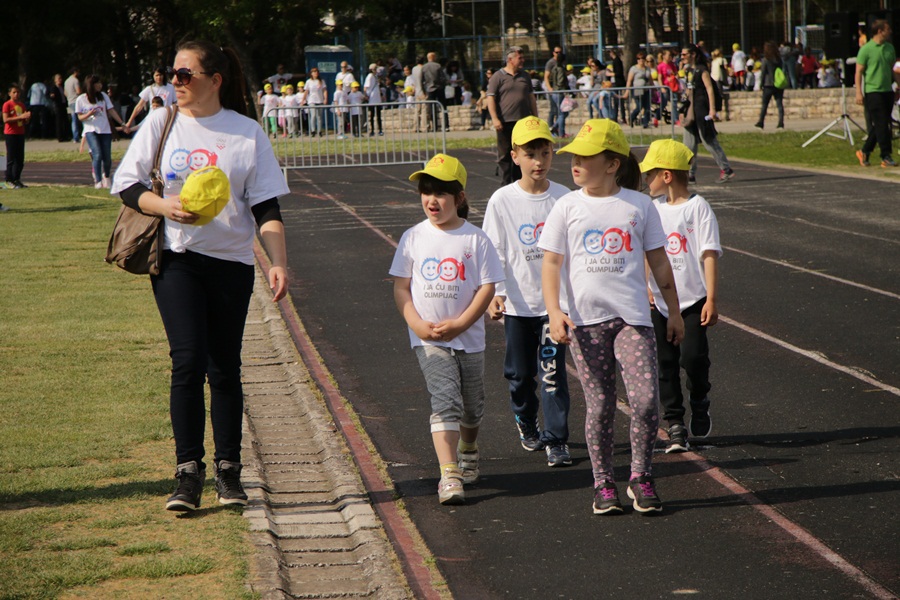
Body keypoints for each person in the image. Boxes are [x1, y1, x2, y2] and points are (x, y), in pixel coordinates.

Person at [110, 40, 290, 512]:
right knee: (187, 360)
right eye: (173, 74)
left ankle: (230, 473)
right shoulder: (162, 122)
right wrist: (164, 205)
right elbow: (127, 186)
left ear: (215, 80)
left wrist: (277, 262)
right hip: (177, 259)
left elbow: (267, 206)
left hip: (231, 262)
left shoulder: (247, 132)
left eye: (185, 75)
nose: (176, 82)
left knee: (224, 367)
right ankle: (187, 473)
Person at [538, 119, 684, 514]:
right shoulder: (566, 206)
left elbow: (659, 261)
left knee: (646, 401)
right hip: (586, 323)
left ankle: (640, 476)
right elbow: (551, 264)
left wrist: (673, 312)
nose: (576, 163)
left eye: (587, 157)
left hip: (633, 319)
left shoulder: (639, 207)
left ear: (613, 163)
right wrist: (554, 312)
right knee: (600, 405)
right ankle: (604, 483)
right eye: (574, 157)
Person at [388, 153, 504, 505]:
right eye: (426, 192)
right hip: (428, 340)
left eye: (440, 192)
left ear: (459, 197)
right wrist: (417, 324)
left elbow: (487, 288)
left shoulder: (475, 240)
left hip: (467, 337)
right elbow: (401, 287)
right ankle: (449, 474)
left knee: (472, 406)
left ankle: (468, 449)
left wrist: (461, 324)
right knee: (445, 401)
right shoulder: (413, 237)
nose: (431, 200)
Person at [482, 116, 573, 466]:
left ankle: (556, 438)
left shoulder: (564, 198)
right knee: (520, 376)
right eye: (531, 153)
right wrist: (497, 292)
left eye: (545, 152)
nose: (539, 161)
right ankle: (525, 418)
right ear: (514, 155)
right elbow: (495, 249)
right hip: (518, 306)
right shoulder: (502, 200)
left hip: (554, 307)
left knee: (552, 375)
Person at [639, 139, 721, 454]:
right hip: (659, 303)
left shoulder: (697, 208)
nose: (647, 181)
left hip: (692, 300)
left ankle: (699, 397)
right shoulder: (653, 209)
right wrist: (647, 285)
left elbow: (709, 254)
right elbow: (649, 252)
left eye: (650, 175)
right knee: (665, 363)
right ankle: (675, 423)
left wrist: (711, 298)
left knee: (693, 358)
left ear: (667, 176)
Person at [681, 44, 735, 184]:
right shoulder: (688, 71)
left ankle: (726, 169)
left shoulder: (701, 70)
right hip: (691, 111)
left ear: (693, 55)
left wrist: (712, 110)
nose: (682, 57)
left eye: (684, 54)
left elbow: (710, 89)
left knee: (708, 141)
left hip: (702, 110)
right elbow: (688, 90)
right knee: (688, 145)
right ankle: (690, 174)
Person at [486, 46, 539, 185]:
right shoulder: (498, 76)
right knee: (505, 155)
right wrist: (495, 119)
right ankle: (505, 184)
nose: (523, 60)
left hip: (523, 123)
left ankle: (518, 182)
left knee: (521, 153)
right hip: (505, 122)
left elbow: (531, 98)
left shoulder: (525, 76)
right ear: (510, 59)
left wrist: (535, 117)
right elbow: (490, 98)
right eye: (519, 57)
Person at [855, 19, 899, 168]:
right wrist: (858, 93)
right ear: (880, 31)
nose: (890, 32)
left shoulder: (889, 48)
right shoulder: (866, 49)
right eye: (887, 29)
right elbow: (859, 72)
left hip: (887, 90)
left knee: (882, 123)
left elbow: (893, 69)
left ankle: (865, 150)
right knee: (882, 124)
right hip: (873, 91)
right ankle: (885, 155)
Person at [75, 74, 128, 188]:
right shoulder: (81, 99)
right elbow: (79, 117)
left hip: (105, 130)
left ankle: (106, 176)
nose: (100, 85)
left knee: (107, 157)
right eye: (97, 83)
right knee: (97, 154)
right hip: (90, 130)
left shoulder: (103, 96)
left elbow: (111, 111)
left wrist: (122, 123)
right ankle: (98, 181)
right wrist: (89, 114)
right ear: (91, 85)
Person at [3, 84, 32, 189]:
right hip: (10, 133)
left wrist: (27, 117)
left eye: (18, 92)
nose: (16, 94)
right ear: (10, 93)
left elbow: (24, 120)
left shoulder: (21, 105)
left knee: (20, 158)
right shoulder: (7, 105)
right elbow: (6, 119)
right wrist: (20, 116)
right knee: (11, 157)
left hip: (20, 133)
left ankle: (16, 178)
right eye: (14, 92)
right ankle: (8, 179)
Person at [754, 41, 786, 130]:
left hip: (768, 84)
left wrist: (760, 84)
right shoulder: (779, 59)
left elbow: (763, 73)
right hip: (778, 84)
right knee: (779, 104)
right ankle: (781, 123)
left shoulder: (766, 60)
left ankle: (761, 122)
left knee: (765, 104)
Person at [543, 47, 569, 137]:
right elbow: (559, 80)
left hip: (556, 91)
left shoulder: (557, 67)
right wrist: (550, 88)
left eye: (560, 52)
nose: (558, 54)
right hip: (558, 91)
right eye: (557, 52)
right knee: (561, 112)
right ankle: (556, 129)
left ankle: (556, 129)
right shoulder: (555, 66)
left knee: (561, 112)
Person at [624, 51, 652, 128]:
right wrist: (627, 91)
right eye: (639, 59)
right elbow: (629, 80)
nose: (641, 60)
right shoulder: (634, 68)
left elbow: (650, 79)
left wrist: (654, 89)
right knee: (639, 106)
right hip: (637, 90)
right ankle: (631, 118)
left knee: (647, 107)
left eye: (642, 58)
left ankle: (645, 123)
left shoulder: (647, 69)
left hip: (646, 90)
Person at [304, 67, 327, 137]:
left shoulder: (321, 81)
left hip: (319, 100)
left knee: (319, 116)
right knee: (313, 115)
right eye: (314, 72)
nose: (315, 73)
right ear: (311, 73)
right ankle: (313, 130)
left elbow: (324, 90)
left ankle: (319, 130)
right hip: (312, 100)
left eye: (316, 71)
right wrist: (303, 99)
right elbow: (306, 91)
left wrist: (325, 98)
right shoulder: (308, 81)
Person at [364, 62, 384, 136]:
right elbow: (365, 87)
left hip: (377, 99)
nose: (376, 70)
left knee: (378, 115)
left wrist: (381, 94)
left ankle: (380, 129)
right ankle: (372, 130)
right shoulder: (369, 76)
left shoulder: (375, 76)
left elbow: (377, 86)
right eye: (375, 69)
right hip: (372, 99)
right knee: (372, 115)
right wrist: (366, 96)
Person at [64, 67, 82, 142]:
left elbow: (65, 92)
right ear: (75, 72)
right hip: (76, 101)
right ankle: (78, 136)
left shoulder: (67, 81)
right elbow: (78, 91)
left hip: (70, 101)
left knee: (73, 119)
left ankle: (75, 136)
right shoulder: (75, 80)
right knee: (80, 118)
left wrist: (69, 97)